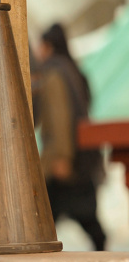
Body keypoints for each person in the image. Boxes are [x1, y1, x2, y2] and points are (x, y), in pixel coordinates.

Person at [36, 23, 106, 250]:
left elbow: (60, 117)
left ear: (48, 46)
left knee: (44, 219)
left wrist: (62, 156)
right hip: (82, 157)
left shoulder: (54, 73)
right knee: (84, 218)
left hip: (64, 159)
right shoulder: (72, 69)